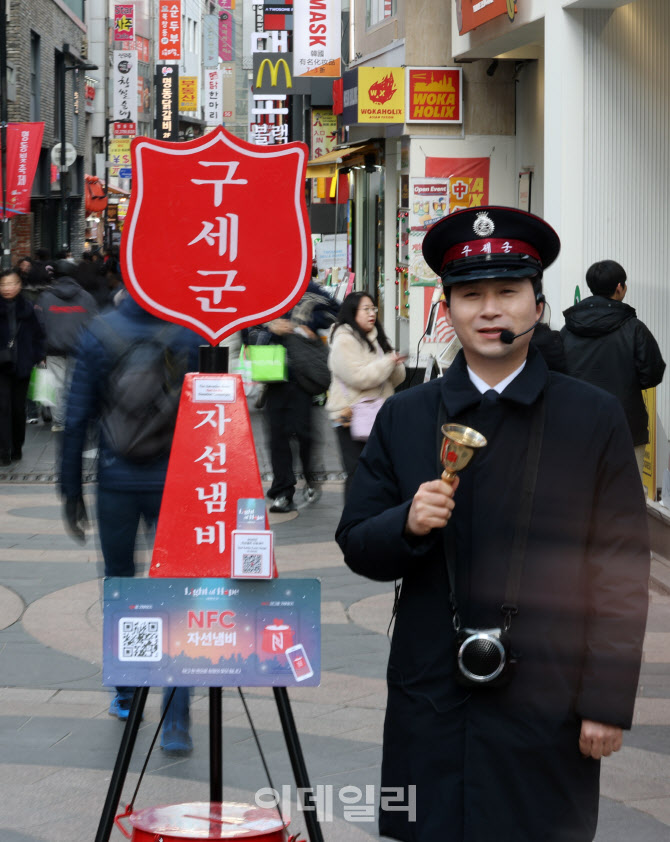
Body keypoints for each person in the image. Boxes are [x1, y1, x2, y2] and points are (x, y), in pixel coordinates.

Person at [336, 206, 650, 842]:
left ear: (537, 304)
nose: (490, 310)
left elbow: (620, 569)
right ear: (447, 310)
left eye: (508, 292)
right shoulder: (406, 416)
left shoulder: (591, 417)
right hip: (431, 693)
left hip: (550, 696)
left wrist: (606, 703)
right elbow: (358, 545)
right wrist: (408, 523)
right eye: (470, 295)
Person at [60, 293, 202, 752]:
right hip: (175, 481)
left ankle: (127, 692)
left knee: (123, 587)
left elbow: (77, 416)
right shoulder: (189, 332)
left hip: (116, 481)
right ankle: (176, 715)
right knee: (178, 589)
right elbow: (209, 413)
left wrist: (70, 490)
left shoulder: (99, 333)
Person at [561, 259, 665, 476]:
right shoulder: (634, 329)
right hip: (626, 427)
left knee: (579, 496)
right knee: (627, 499)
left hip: (576, 428)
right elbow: (652, 374)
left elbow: (557, 374)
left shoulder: (567, 330)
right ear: (620, 287)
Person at [261, 276, 340, 513]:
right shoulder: (264, 289)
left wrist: (308, 324)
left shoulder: (308, 288)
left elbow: (336, 311)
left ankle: (311, 476)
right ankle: (283, 492)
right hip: (272, 371)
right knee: (277, 436)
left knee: (304, 432)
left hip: (303, 373)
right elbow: (246, 325)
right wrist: (269, 325)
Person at [326, 291, 406, 500]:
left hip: (378, 411)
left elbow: (394, 380)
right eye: (366, 309)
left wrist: (394, 363)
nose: (372, 313)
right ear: (353, 312)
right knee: (357, 471)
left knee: (380, 469)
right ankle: (351, 526)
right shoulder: (344, 339)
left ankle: (373, 518)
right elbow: (359, 377)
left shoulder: (376, 337)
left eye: (374, 309)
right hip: (349, 415)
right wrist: (388, 362)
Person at [35, 260, 98, 432]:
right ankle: (77, 421)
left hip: (53, 349)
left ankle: (60, 422)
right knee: (75, 386)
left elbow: (38, 324)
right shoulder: (86, 297)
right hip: (80, 349)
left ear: (54, 275)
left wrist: (40, 349)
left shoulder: (45, 298)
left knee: (58, 387)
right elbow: (95, 323)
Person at [0, 269, 46, 465]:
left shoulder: (28, 308)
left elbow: (38, 335)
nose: (7, 288)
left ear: (19, 285)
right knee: (2, 407)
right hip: (1, 366)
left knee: (19, 409)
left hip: (22, 364)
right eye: (3, 284)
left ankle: (17, 445)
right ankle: (3, 451)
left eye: (11, 284)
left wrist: (40, 357)